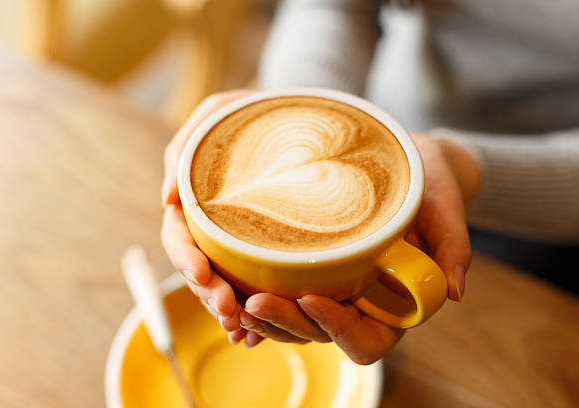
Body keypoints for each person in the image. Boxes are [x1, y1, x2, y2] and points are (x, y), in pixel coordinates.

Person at [161, 0, 579, 364]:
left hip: (553, 224)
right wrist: (301, 108)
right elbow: (330, 5)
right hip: (378, 124)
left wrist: (466, 166)